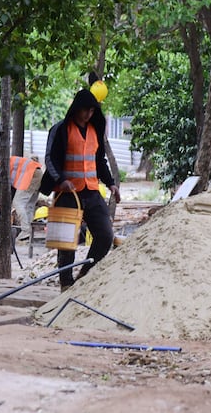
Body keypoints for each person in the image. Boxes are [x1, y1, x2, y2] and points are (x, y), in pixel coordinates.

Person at [40, 88, 121, 292]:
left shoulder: (95, 131)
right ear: (76, 108)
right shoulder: (61, 130)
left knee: (104, 235)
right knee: (66, 243)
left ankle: (84, 275)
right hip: (67, 193)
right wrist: (61, 179)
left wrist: (111, 183)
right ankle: (66, 284)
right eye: (85, 110)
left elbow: (99, 161)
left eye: (92, 111)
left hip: (91, 191)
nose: (88, 114)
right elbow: (50, 158)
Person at [0, 156, 43, 244]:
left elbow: (8, 188)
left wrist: (4, 204)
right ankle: (29, 232)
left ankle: (26, 231)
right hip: (38, 173)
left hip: (30, 175)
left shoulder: (1, 167)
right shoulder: (6, 161)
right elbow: (13, 188)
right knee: (29, 205)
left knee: (18, 203)